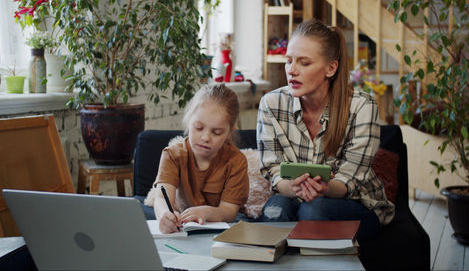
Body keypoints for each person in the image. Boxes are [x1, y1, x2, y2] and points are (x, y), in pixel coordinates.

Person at [257, 19, 394, 240]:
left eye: (304, 63)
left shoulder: (362, 107)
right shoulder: (271, 104)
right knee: (276, 210)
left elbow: (349, 180)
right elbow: (272, 170)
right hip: (292, 196)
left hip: (352, 202)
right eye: (289, 60)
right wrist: (294, 187)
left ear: (331, 68)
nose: (291, 71)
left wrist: (324, 189)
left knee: (313, 210)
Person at [152, 83, 249, 234]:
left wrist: (208, 212)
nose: (205, 138)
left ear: (229, 133)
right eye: (198, 127)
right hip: (182, 224)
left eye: (217, 132)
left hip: (220, 226)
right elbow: (161, 199)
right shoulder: (172, 155)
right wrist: (165, 215)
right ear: (188, 121)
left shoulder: (236, 161)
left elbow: (229, 211)